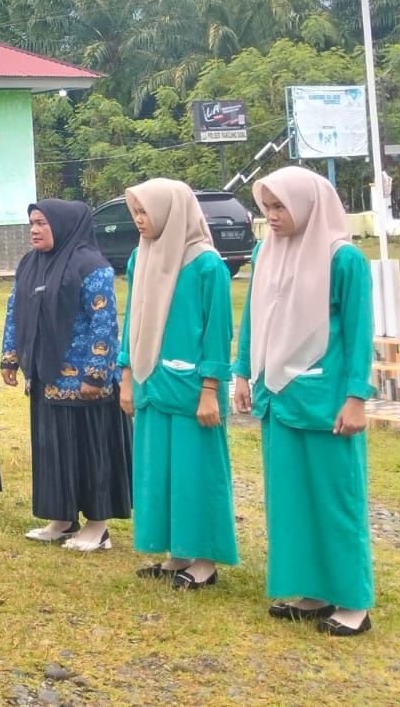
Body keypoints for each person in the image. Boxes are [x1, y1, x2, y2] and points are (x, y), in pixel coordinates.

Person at [233, 167, 374, 635]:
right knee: (289, 501)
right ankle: (312, 592)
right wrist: (242, 373)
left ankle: (353, 603)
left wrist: (357, 398)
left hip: (327, 401)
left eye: (280, 207)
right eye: (266, 207)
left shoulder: (343, 259)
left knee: (337, 500)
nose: (271, 217)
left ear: (308, 206)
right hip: (278, 398)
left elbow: (357, 335)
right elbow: (255, 318)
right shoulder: (266, 251)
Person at [117, 178, 238, 588]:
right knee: (160, 471)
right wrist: (128, 377)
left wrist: (210, 390)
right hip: (152, 382)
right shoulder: (141, 258)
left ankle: (203, 561)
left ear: (172, 211)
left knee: (195, 472)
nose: (138, 219)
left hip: (192, 390)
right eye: (135, 211)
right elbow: (132, 320)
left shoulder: (208, 265)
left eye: (144, 211)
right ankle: (177, 553)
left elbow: (218, 332)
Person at [1, 200, 132, 551]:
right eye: (31, 223)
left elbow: (104, 324)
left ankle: (97, 526)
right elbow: (16, 312)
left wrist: (95, 374)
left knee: (91, 451)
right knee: (53, 450)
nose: (34, 230)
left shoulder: (91, 266)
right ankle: (61, 519)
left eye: (42, 223)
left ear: (63, 224)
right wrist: (10, 358)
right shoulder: (30, 264)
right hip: (46, 377)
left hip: (85, 385)